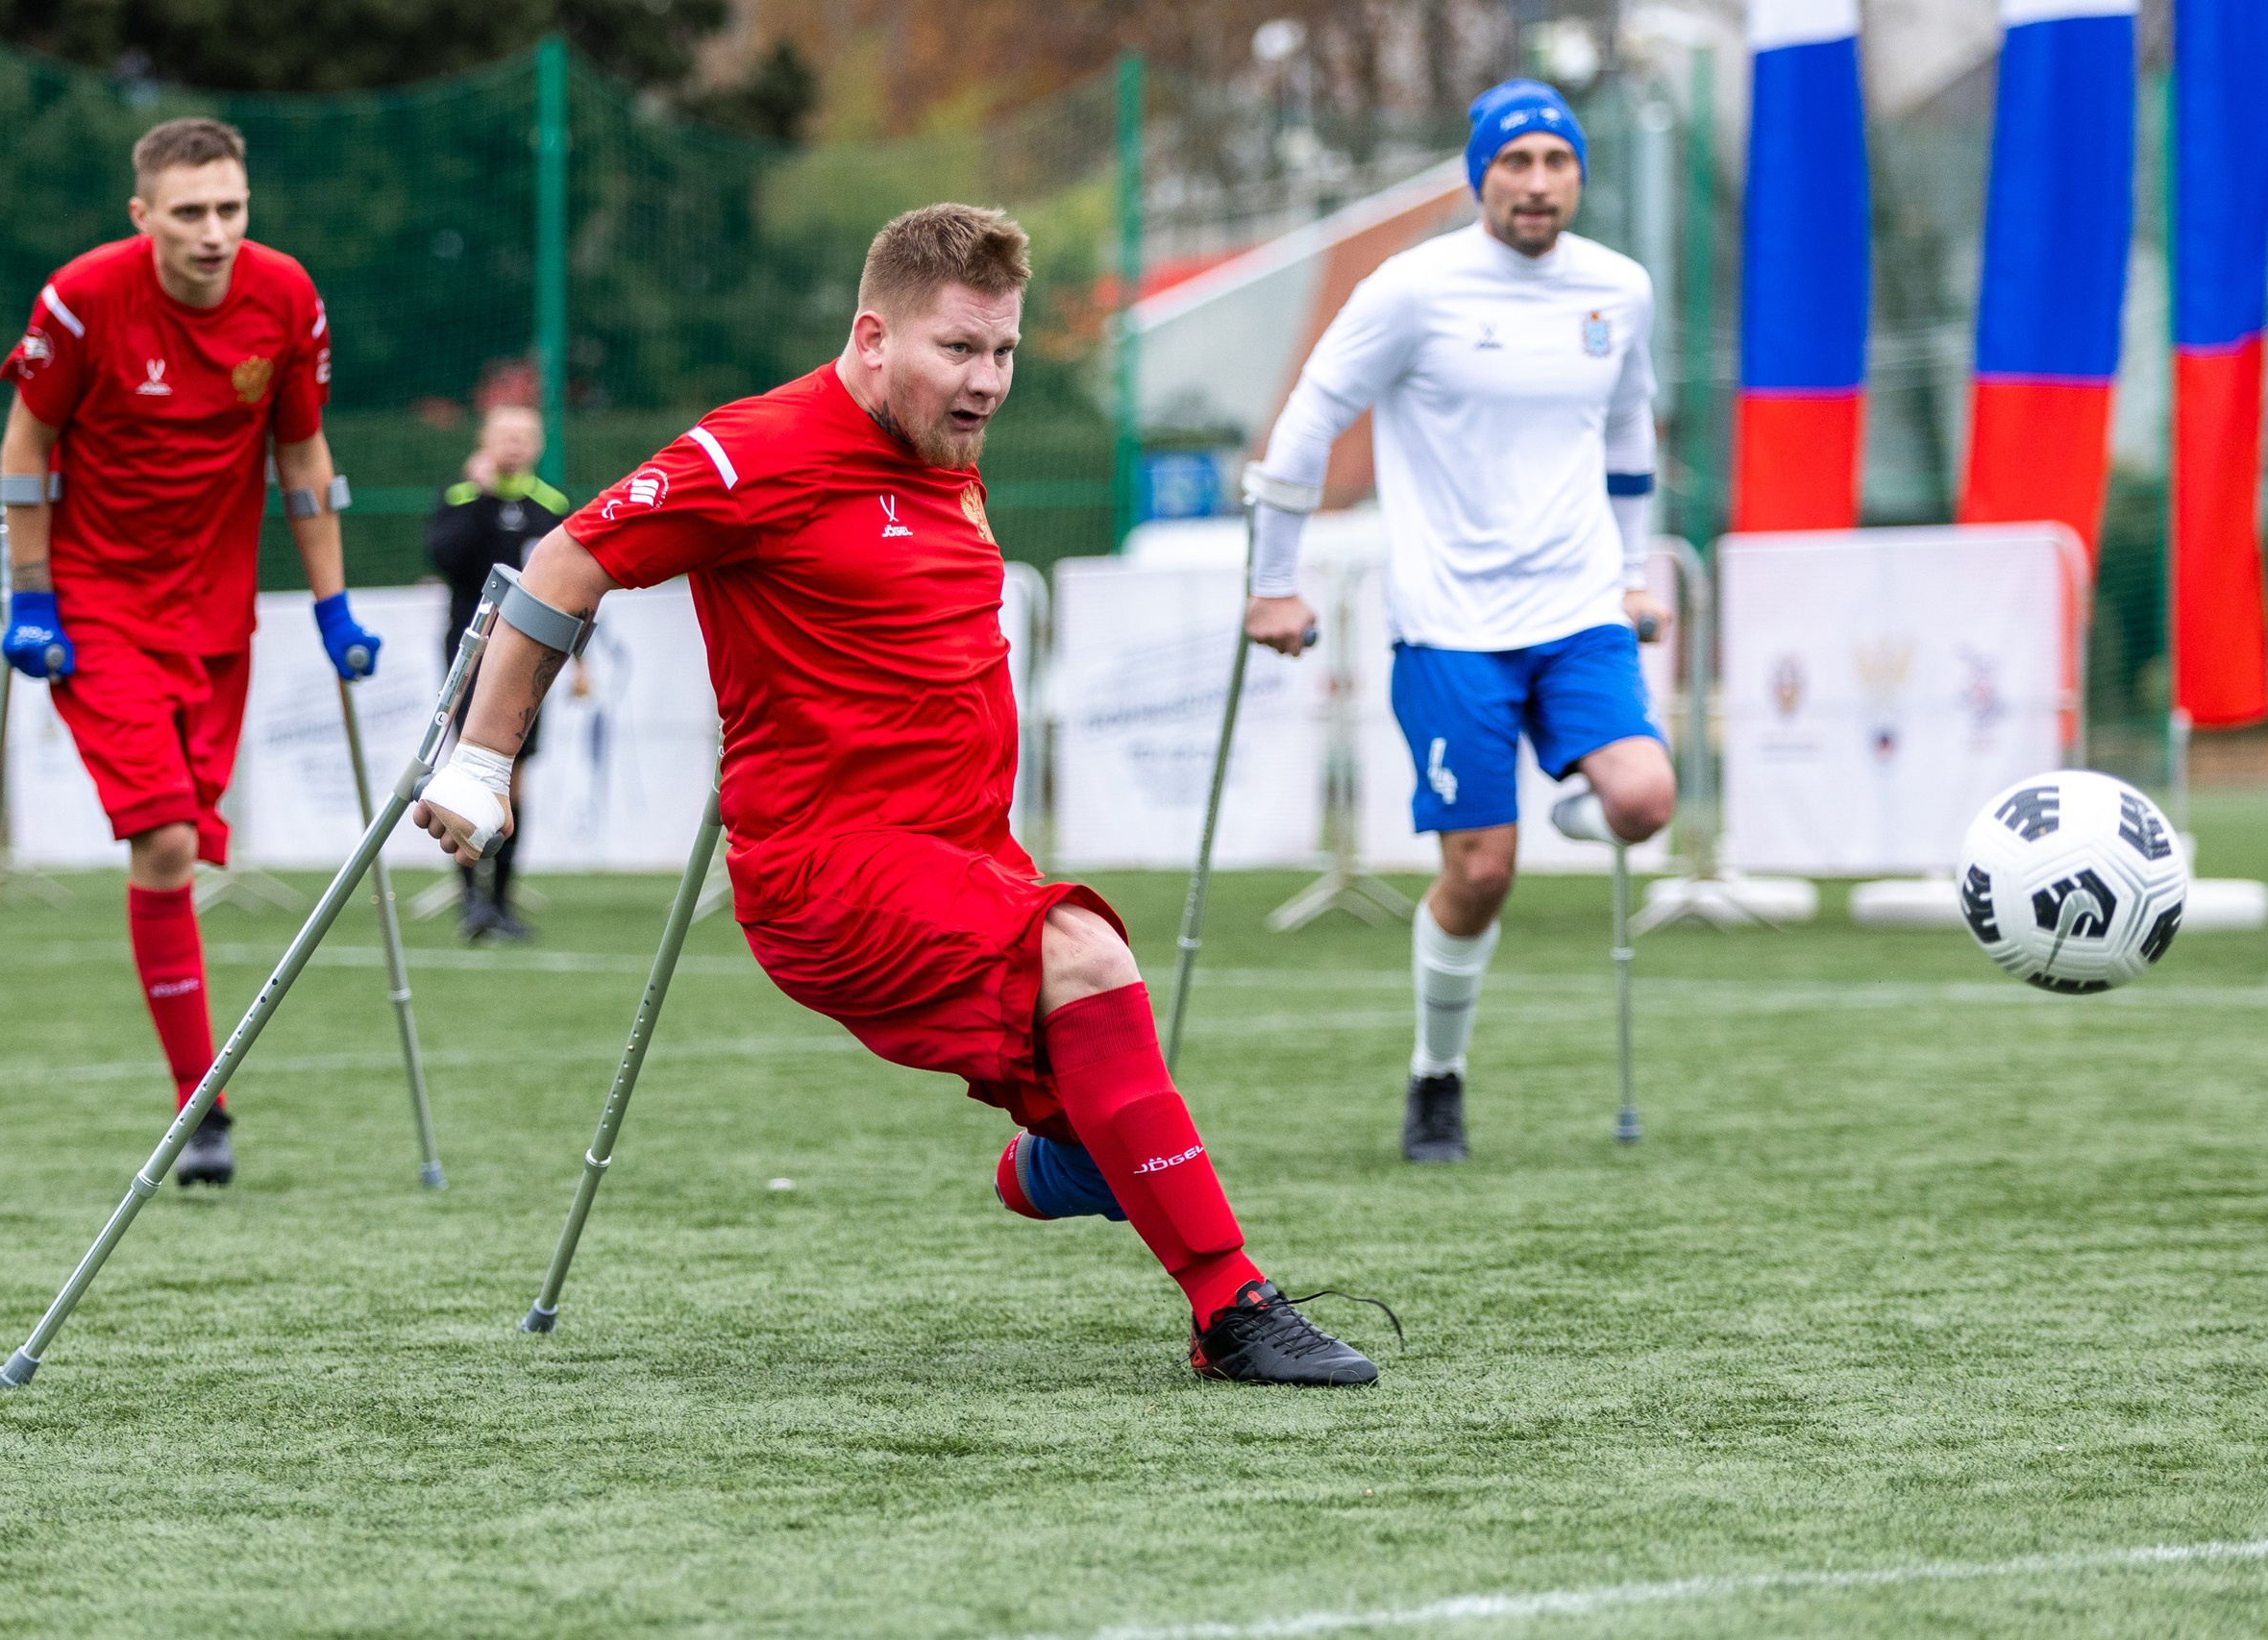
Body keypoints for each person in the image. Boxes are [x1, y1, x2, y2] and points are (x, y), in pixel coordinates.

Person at [413, 204, 1381, 1385]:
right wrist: (482, 760)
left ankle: (1059, 1167)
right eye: (958, 349)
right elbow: (565, 561)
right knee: (1085, 953)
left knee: (1096, 1076)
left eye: (1004, 352)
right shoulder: (752, 451)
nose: (987, 382)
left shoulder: (943, 454)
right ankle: (1233, 1309)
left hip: (971, 856)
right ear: (873, 338)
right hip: (828, 873)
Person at [1242, 80, 1675, 1164]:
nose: (1537, 183)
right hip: (1448, 625)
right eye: (1515, 162)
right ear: (1481, 175)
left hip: (1578, 609)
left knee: (1643, 799)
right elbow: (1309, 420)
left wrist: (1632, 573)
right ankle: (1438, 1075)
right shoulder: (1412, 288)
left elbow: (1630, 429)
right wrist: (1273, 581)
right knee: (1481, 875)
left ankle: (1571, 798)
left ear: (1578, 176)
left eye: (1557, 162)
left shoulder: (1618, 289)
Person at [0, 116, 379, 1187]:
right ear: (144, 216)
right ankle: (199, 1107)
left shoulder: (286, 298)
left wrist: (333, 606)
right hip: (95, 605)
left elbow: (301, 450)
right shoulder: (83, 299)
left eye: (231, 209)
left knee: (189, 842)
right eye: (190, 212)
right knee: (164, 837)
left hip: (215, 613)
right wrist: (32, 596)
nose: (214, 232)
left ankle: (197, 1102)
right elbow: (26, 441)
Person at [426, 403, 569, 942]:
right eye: (504, 434)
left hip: (531, 660)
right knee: (466, 768)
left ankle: (503, 902)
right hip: (469, 655)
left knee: (516, 775)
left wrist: (580, 660)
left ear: (537, 444)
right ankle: (471, 903)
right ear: (485, 439)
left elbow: (569, 587)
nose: (514, 445)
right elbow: (443, 558)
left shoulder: (550, 506)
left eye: (524, 435)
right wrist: (482, 497)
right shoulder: (461, 498)